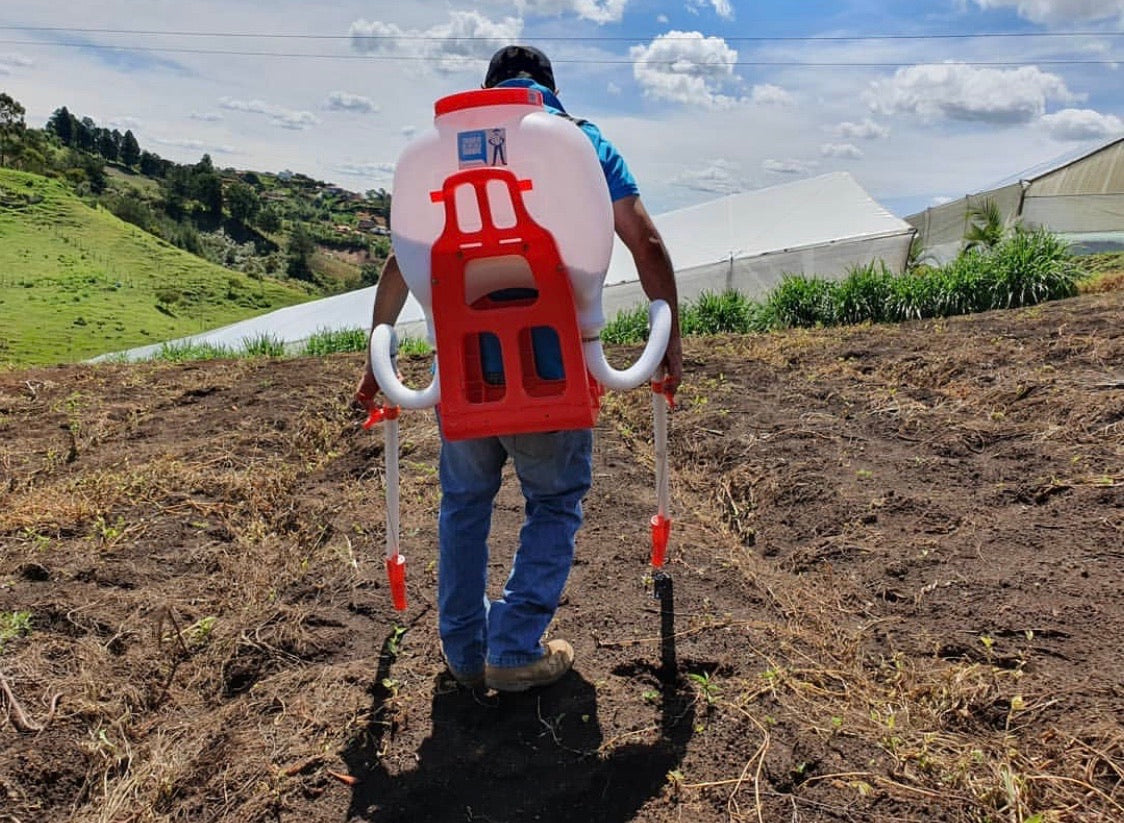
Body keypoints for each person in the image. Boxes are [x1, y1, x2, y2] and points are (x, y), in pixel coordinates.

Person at [354, 45, 682, 692]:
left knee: (465, 502)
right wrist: (670, 341)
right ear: (549, 91)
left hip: (463, 368)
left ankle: (463, 649)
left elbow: (402, 257)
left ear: (487, 91)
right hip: (553, 365)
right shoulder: (582, 144)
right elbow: (643, 240)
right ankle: (513, 646)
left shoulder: (441, 155)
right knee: (555, 499)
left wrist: (376, 356)